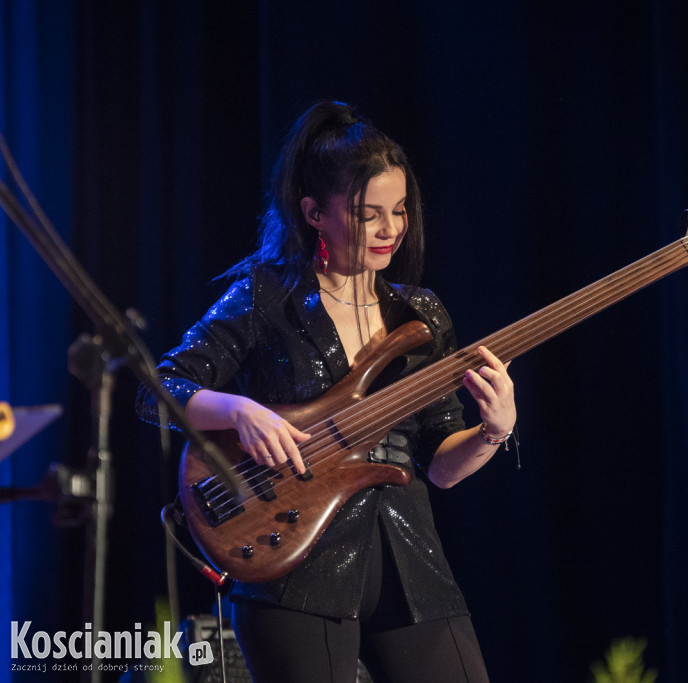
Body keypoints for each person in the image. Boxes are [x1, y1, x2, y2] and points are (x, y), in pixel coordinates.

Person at [137, 101, 516, 683]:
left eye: (400, 211)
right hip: (291, 559)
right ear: (315, 212)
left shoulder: (422, 313)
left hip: (410, 561)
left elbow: (439, 464)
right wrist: (240, 412)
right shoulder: (266, 295)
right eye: (370, 215)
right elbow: (158, 388)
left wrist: (494, 430)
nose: (391, 229)